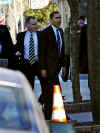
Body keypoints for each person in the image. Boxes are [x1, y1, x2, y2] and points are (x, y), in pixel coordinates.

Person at [40, 11, 67, 120]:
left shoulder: (60, 31)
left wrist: (64, 66)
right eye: (56, 18)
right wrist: (42, 68)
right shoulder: (45, 33)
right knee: (53, 93)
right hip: (48, 68)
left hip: (57, 69)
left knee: (51, 93)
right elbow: (41, 52)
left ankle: (50, 114)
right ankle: (49, 116)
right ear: (51, 20)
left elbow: (62, 49)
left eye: (60, 17)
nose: (59, 20)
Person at [15, 16, 46, 90]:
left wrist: (40, 57)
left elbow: (45, 49)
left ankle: (43, 100)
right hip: (26, 64)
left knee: (45, 85)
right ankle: (30, 101)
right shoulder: (21, 36)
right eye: (33, 24)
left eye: (36, 24)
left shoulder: (42, 35)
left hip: (39, 63)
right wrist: (17, 52)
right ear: (27, 25)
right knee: (29, 87)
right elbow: (17, 48)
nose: (36, 26)